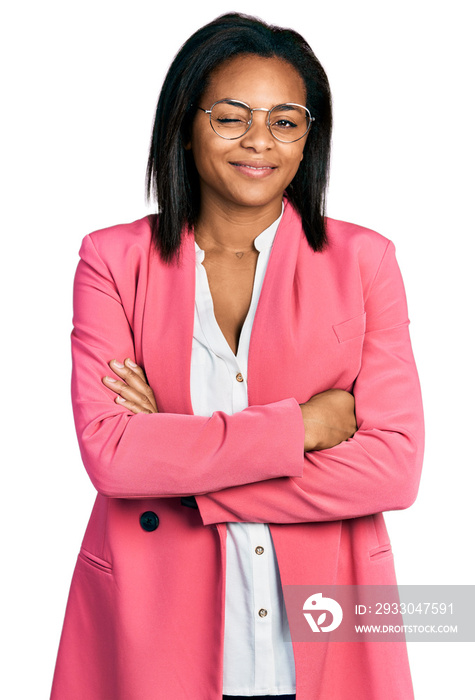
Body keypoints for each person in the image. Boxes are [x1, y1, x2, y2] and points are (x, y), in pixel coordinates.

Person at [51, 12, 424, 700]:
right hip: (152, 629)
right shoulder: (111, 260)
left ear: (309, 137)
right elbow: (111, 455)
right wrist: (302, 430)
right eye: (231, 117)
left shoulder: (364, 262)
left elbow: (392, 470)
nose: (260, 141)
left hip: (328, 631)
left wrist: (177, 458)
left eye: (286, 120)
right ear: (185, 126)